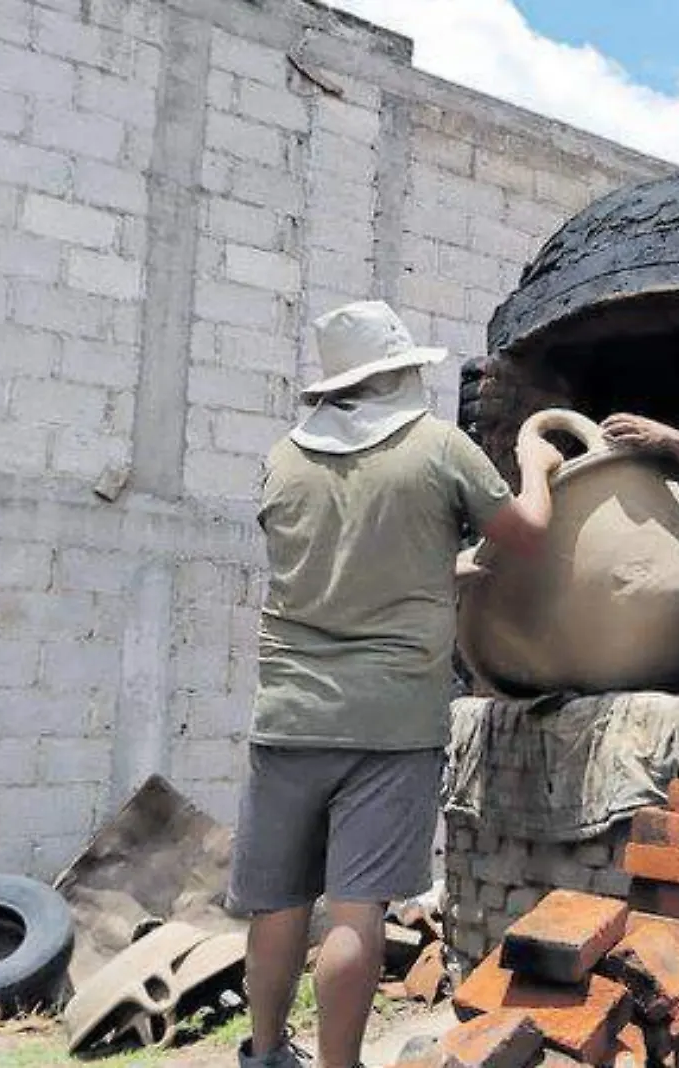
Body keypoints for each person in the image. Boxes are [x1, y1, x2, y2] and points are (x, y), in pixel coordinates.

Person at [231, 301, 563, 1068]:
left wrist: (438, 569)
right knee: (356, 908)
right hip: (391, 720)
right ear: (398, 374)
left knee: (277, 902)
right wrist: (537, 470)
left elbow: (337, 570)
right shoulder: (438, 450)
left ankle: (266, 1052)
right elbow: (529, 535)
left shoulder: (282, 459)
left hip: (288, 714)